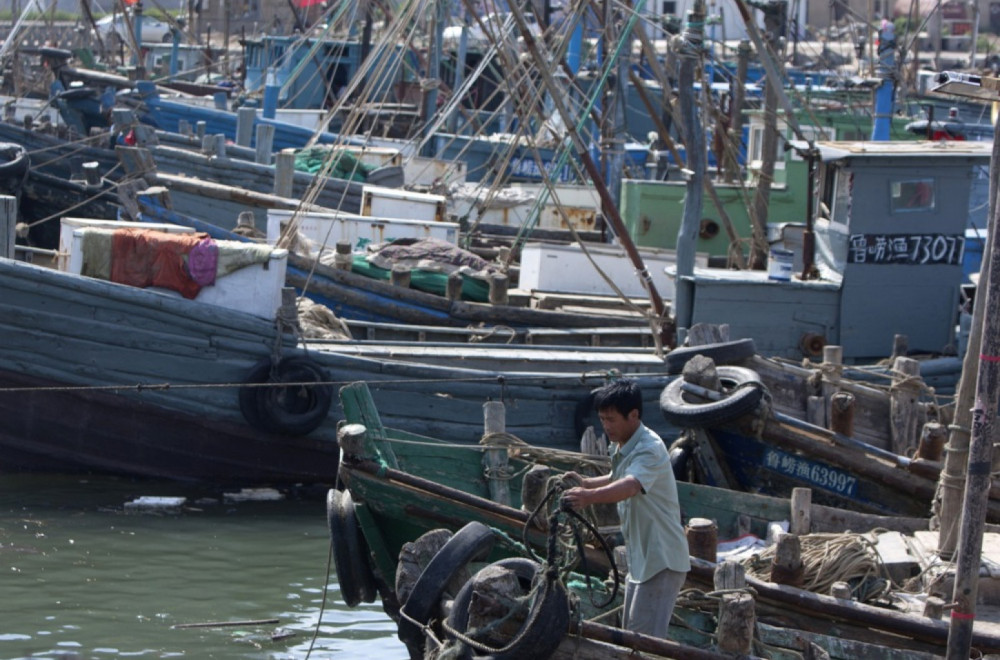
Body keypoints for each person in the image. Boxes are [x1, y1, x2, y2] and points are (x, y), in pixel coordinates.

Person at [561, 378, 690, 638]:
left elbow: (630, 485)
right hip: (642, 560)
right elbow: (616, 476)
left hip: (661, 560)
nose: (606, 426)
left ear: (634, 415)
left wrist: (587, 497)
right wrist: (585, 482)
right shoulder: (623, 443)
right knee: (631, 637)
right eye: (602, 419)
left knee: (642, 644)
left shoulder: (649, 449)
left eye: (611, 419)